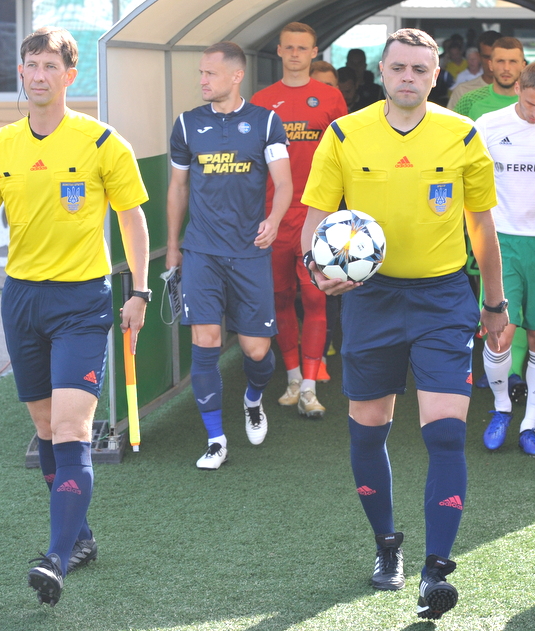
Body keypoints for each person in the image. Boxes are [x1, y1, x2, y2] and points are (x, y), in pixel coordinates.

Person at [300, 28, 506, 621]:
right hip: (370, 299)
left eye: (420, 69)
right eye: (399, 68)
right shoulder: (345, 134)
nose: (409, 77)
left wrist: (495, 303)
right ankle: (387, 544)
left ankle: (435, 570)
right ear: (382, 73)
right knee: (369, 429)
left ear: (436, 76)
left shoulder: (461, 134)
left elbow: (482, 227)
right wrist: (318, 269)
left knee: (445, 434)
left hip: (443, 298)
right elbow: (317, 221)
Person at [0, 27, 150, 606]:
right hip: (22, 301)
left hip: (81, 302)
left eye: (50, 66)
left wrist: (139, 290)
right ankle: (80, 538)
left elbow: (132, 218)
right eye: (31, 65)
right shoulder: (1, 145)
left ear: (70, 76)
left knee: (71, 429)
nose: (39, 75)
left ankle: (56, 558)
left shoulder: (102, 142)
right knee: (44, 430)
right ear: (21, 72)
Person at [165, 41, 293, 470]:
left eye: (210, 74)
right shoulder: (187, 125)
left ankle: (253, 398)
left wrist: (273, 219)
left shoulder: (266, 122)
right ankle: (216, 439)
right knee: (206, 341)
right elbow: (178, 187)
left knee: (257, 351)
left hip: (249, 251)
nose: (202, 81)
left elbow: (284, 183)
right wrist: (173, 247)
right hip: (201, 250)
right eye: (200, 73)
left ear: (236, 76)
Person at [474, 61, 535, 456]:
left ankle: (530, 425)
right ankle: (501, 408)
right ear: (518, 88)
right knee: (500, 333)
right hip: (501, 242)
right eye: (531, 104)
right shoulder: (488, 125)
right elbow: (469, 180)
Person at [252, 22, 347, 419]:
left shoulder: (330, 98)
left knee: (314, 297)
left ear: (314, 52)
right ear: (279, 51)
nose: (294, 53)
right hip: (274, 216)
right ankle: (292, 378)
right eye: (288, 47)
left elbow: (345, 157)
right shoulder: (261, 101)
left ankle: (310, 386)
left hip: (316, 216)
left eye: (302, 48)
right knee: (279, 298)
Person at [455, 37, 526, 120]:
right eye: (500, 61)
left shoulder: (534, 102)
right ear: (490, 65)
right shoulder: (469, 101)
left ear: (523, 66)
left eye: (513, 62)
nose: (506, 68)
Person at [447, 30, 501, 110]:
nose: (491, 62)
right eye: (486, 57)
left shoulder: (518, 91)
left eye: (497, 57)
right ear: (479, 57)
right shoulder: (463, 91)